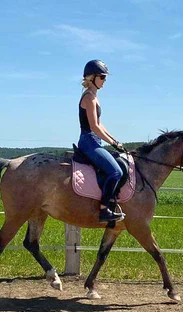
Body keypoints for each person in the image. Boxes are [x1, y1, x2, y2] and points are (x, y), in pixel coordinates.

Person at [77, 59, 127, 222]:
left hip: (94, 141)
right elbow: (94, 127)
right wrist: (113, 144)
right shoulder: (89, 98)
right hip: (89, 141)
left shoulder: (94, 97)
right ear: (92, 78)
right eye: (102, 77)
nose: (105, 81)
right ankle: (104, 210)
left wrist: (115, 140)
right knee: (116, 171)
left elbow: (100, 124)